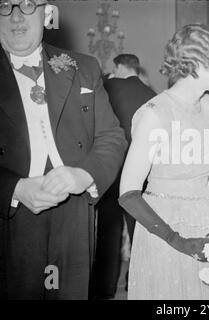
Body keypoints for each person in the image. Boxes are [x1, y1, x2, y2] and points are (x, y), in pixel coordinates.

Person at [0, 0, 127, 299]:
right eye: (5, 5)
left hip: (73, 215)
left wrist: (84, 175)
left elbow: (111, 136)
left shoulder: (83, 66)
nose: (16, 15)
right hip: (9, 215)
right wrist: (14, 189)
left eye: (28, 4)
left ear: (46, 13)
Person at [118, 23, 209, 300]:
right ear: (197, 63)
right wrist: (177, 241)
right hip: (166, 235)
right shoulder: (155, 114)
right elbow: (128, 194)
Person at [91, 54, 156, 299]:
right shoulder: (151, 94)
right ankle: (135, 281)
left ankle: (103, 287)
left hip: (111, 168)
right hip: (141, 171)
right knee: (139, 227)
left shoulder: (106, 88)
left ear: (118, 67)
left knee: (108, 230)